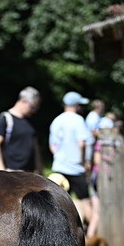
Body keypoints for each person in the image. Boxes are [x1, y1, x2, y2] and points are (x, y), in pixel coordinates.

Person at [49, 91, 95, 235]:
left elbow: (53, 146)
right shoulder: (78, 120)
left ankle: (57, 234)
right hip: (75, 167)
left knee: (57, 203)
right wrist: (84, 162)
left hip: (59, 167)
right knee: (85, 202)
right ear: (76, 105)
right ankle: (92, 237)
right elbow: (81, 143)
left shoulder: (56, 120)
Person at [0, 86, 43, 173]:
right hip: (11, 173)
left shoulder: (30, 121)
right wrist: (1, 171)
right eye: (33, 107)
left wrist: (40, 171)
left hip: (30, 173)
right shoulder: (5, 118)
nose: (34, 111)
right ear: (23, 101)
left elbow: (36, 148)